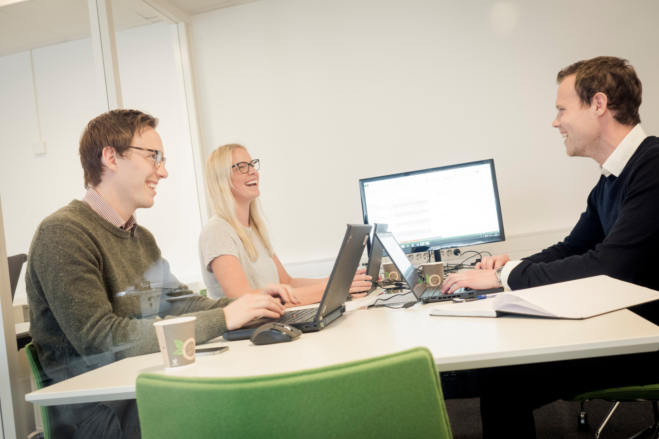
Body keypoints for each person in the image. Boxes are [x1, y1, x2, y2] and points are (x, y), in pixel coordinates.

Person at [26, 110, 293, 439]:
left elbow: (181, 303)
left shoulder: (142, 239)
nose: (163, 171)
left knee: (253, 394)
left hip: (137, 385)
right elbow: (102, 340)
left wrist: (252, 305)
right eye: (153, 157)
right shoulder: (63, 233)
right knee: (235, 414)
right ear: (111, 157)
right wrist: (224, 317)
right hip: (96, 410)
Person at [441, 56, 659, 437]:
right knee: (501, 367)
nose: (555, 122)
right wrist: (505, 269)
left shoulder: (652, 168)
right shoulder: (612, 179)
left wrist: (506, 277)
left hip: (647, 338)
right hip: (626, 326)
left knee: (504, 379)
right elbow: (570, 249)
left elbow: (606, 267)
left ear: (598, 104)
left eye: (562, 109)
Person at [199, 143, 372, 304]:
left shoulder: (255, 230)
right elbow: (243, 299)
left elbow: (287, 283)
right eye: (242, 167)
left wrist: (335, 281)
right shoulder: (217, 231)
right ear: (221, 179)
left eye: (252, 165)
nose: (253, 172)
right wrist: (331, 289)